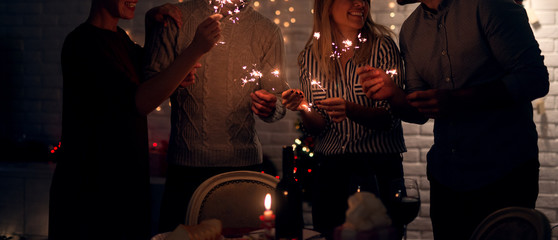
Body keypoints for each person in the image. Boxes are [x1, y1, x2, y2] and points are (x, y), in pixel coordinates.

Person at [357, 0, 549, 239]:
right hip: (447, 181)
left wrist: (458, 99)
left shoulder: (490, 6)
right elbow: (419, 113)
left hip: (504, 173)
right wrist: (394, 94)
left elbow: (535, 79)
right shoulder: (410, 30)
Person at [48, 0, 223, 239]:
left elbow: (152, 75)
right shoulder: (82, 43)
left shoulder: (119, 39)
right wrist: (196, 49)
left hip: (125, 185)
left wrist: (152, 25)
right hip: (91, 193)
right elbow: (141, 101)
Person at [143, 0, 288, 233]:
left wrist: (272, 107)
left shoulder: (267, 30)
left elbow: (278, 97)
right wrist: (175, 78)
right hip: (185, 170)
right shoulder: (176, 19)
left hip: (244, 169)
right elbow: (148, 90)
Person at [281, 0, 407, 238]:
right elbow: (318, 128)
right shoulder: (310, 57)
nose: (360, 3)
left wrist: (350, 109)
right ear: (327, 5)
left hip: (378, 170)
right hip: (331, 174)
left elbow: (389, 118)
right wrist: (304, 107)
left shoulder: (382, 47)